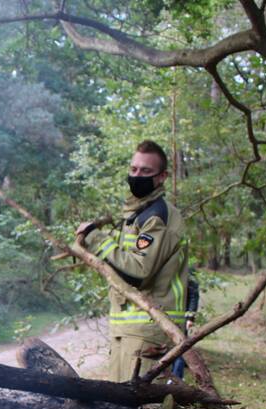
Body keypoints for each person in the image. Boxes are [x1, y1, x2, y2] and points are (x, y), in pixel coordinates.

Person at [76, 140, 190, 382]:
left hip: (149, 330)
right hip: (128, 330)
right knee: (118, 408)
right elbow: (121, 265)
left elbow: (138, 272)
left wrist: (97, 240)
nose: (137, 176)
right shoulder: (138, 215)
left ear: (162, 177)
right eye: (134, 169)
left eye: (146, 171)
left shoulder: (158, 216)